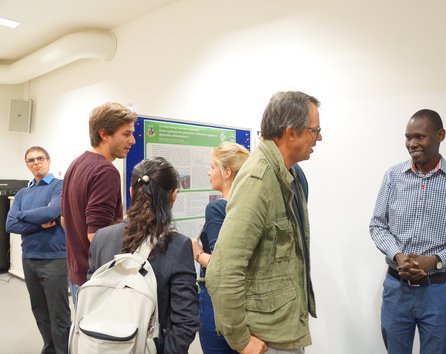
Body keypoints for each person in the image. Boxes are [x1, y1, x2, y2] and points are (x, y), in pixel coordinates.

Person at [206, 91, 322, 354]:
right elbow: (222, 272)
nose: (319, 137)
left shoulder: (289, 174)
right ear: (290, 133)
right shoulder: (258, 180)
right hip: (266, 340)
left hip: (283, 331)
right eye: (315, 130)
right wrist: (242, 341)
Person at [369, 109, 446, 354]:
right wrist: (397, 255)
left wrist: (435, 261)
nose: (412, 144)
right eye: (408, 137)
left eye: (420, 137)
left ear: (440, 135)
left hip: (439, 291)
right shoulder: (393, 177)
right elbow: (377, 225)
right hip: (396, 289)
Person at [88, 157, 200, 353]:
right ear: (173, 195)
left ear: (131, 192)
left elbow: (92, 296)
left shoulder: (101, 237)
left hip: (101, 343)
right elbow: (185, 320)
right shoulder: (177, 245)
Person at [61, 102, 137, 304]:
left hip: (78, 275)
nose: (133, 140)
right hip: (97, 280)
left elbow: (64, 219)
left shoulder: (76, 164)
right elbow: (97, 235)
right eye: (126, 134)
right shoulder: (106, 171)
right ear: (104, 134)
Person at [6, 146, 71, 354]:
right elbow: (10, 225)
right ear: (27, 165)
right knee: (40, 312)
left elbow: (53, 211)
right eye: (30, 160)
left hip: (54, 259)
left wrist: (22, 214)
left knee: (59, 314)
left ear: (48, 161)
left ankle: (63, 351)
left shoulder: (59, 186)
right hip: (29, 259)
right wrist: (38, 222)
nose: (35, 163)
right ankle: (50, 349)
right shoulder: (23, 193)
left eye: (39, 158)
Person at [192, 142, 250, 354]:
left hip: (218, 305)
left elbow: (220, 265)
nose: (209, 172)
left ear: (226, 172)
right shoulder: (249, 208)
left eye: (213, 166)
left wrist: (197, 253)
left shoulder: (217, 208)